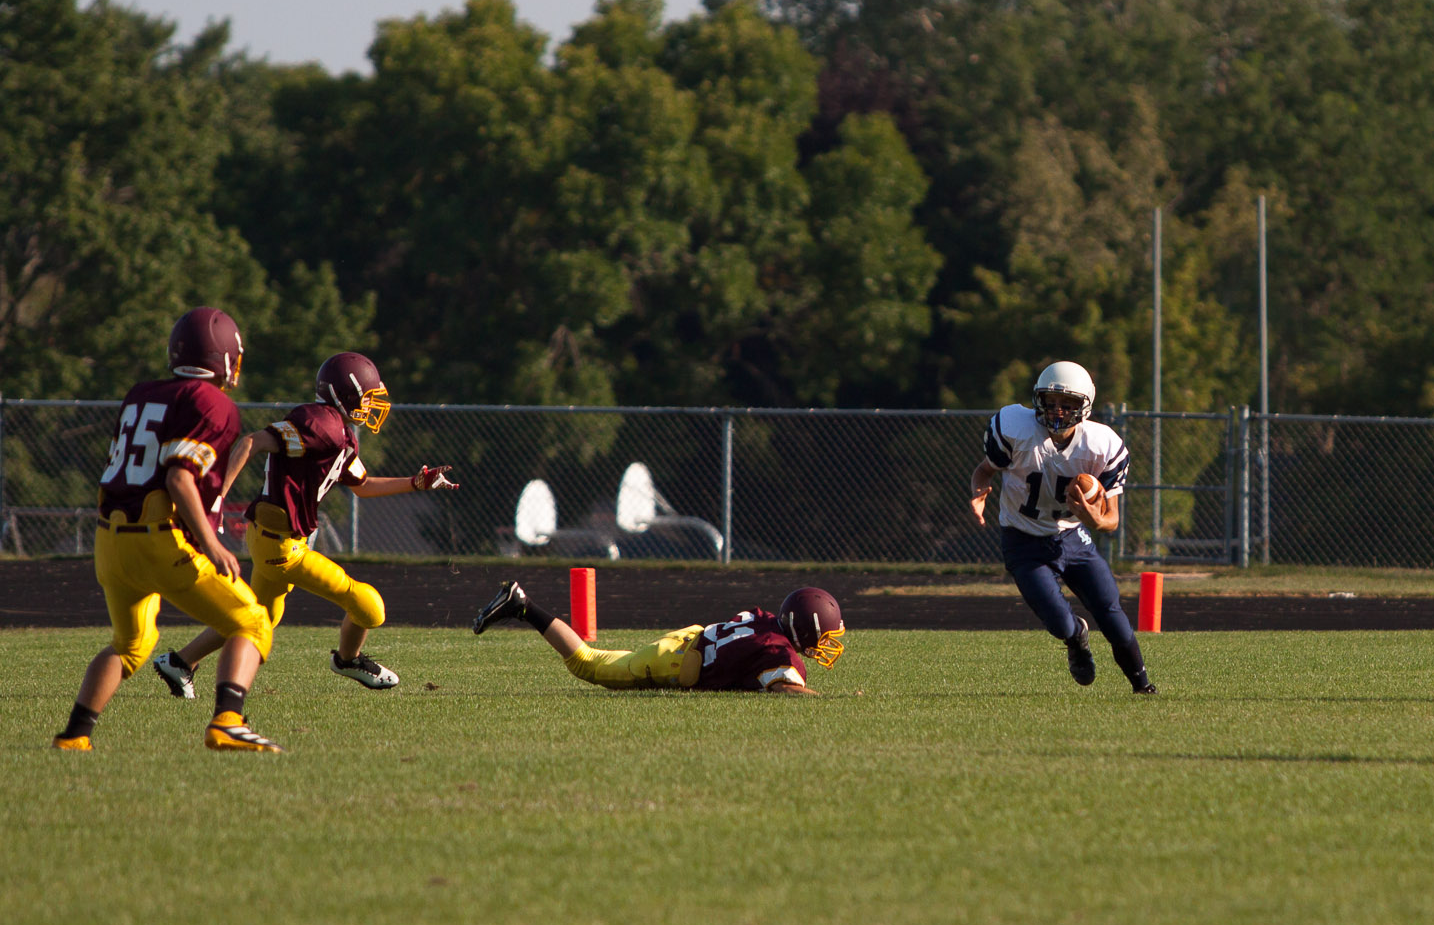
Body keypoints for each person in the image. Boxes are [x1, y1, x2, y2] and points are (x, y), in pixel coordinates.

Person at [152, 353, 458, 698]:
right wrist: (218, 498)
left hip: (274, 539)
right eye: (368, 397)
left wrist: (415, 483)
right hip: (282, 548)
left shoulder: (338, 432)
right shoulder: (321, 425)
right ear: (346, 395)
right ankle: (347, 660)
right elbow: (252, 442)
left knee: (259, 617)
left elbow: (362, 485)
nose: (372, 405)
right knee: (369, 605)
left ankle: (180, 662)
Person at [55, 307, 281, 752]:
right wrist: (211, 543)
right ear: (225, 358)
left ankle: (75, 736)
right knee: (253, 621)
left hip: (110, 542)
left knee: (131, 644)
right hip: (160, 539)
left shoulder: (142, 393)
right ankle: (228, 721)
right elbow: (179, 478)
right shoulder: (213, 402)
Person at [969, 360, 1155, 694]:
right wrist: (979, 492)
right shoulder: (1015, 428)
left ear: (1084, 406)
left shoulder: (1101, 445)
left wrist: (1096, 520)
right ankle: (1076, 638)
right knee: (1059, 622)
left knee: (1110, 612)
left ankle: (1142, 687)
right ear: (1037, 399)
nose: (1057, 410)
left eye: (1067, 404)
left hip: (1072, 536)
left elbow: (1112, 519)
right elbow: (984, 470)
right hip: (1023, 540)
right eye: (1051, 401)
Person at [470, 581, 845, 695]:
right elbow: (786, 689)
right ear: (805, 630)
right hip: (678, 661)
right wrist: (825, 700)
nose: (828, 644)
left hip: (689, 641)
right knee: (587, 662)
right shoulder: (780, 653)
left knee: (605, 657)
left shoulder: (766, 622)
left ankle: (521, 605)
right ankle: (522, 605)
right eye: (825, 635)